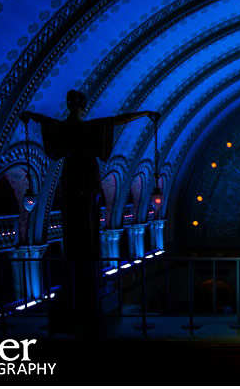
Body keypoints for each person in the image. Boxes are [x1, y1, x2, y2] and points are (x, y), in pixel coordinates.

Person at [20, 90, 159, 317]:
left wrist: (30, 115)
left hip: (71, 178)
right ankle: (89, 275)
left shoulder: (64, 128)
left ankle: (76, 275)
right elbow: (115, 121)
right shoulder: (88, 128)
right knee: (88, 225)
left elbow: (44, 121)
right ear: (83, 107)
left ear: (68, 106)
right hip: (86, 177)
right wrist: (143, 114)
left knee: (73, 225)